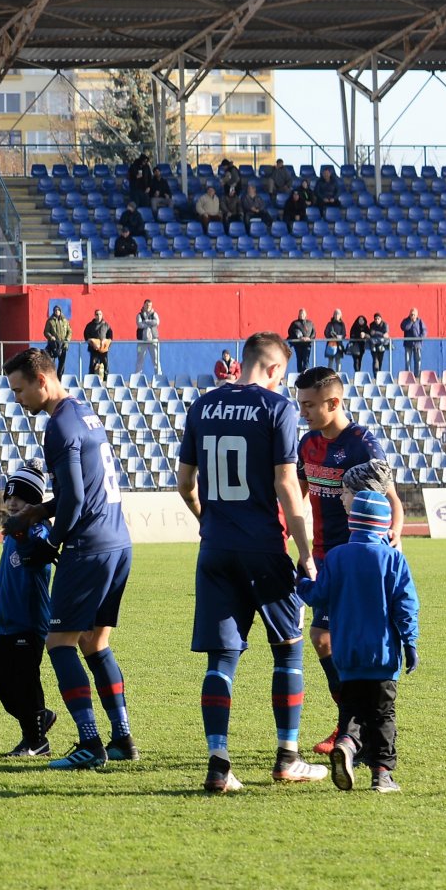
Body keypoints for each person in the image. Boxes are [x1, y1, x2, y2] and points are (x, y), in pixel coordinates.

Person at [178, 332, 321, 794]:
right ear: (277, 369)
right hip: (263, 548)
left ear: (242, 363)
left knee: (221, 660)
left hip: (215, 548)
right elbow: (285, 484)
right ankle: (288, 757)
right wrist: (304, 551)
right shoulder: (278, 409)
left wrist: (210, 523)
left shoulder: (201, 406)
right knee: (289, 648)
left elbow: (185, 484)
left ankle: (218, 766)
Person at [2, 347, 135, 772]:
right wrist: (40, 511)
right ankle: (122, 738)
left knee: (58, 643)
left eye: (20, 390)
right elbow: (84, 490)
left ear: (42, 381)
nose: (18, 399)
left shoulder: (58, 426)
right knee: (95, 642)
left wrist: (51, 541)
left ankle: (90, 743)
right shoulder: (83, 411)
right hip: (118, 543)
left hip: (89, 547)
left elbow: (77, 498)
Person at [294, 368, 403, 758]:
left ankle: (358, 723)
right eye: (300, 403)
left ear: (333, 402)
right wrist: (287, 534)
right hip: (324, 557)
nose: (302, 411)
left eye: (308, 404)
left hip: (358, 558)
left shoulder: (362, 444)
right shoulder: (307, 445)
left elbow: (392, 500)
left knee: (354, 642)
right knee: (323, 639)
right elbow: (297, 498)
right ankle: (350, 721)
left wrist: (396, 535)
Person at [298, 491, 418, 794]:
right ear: (384, 526)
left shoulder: (337, 556)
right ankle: (382, 775)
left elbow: (318, 596)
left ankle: (347, 746)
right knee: (383, 715)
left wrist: (301, 582)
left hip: (347, 654)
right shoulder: (393, 559)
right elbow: (405, 605)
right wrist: (410, 643)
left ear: (352, 523)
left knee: (351, 710)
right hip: (382, 655)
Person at [0, 464, 56, 758]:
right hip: (6, 620)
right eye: (10, 496)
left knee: (26, 680)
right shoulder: (12, 530)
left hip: (28, 620)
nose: (13, 502)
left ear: (37, 503)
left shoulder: (38, 531)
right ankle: (38, 719)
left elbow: (35, 556)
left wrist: (22, 534)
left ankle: (36, 740)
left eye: (22, 498)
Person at [134, 299, 161, 377]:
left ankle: (159, 377)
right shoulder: (139, 315)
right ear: (144, 305)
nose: (148, 306)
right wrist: (151, 323)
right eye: (147, 305)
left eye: (150, 305)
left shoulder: (154, 314)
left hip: (153, 341)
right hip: (141, 341)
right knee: (140, 359)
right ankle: (137, 378)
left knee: (156, 360)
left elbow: (157, 322)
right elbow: (139, 324)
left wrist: (146, 321)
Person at [43, 306, 72, 377]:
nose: (57, 312)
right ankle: (52, 377)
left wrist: (68, 339)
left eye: (58, 310)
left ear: (60, 311)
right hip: (54, 345)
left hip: (63, 345)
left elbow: (70, 331)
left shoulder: (65, 320)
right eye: (55, 310)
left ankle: (60, 378)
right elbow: (46, 332)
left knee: (62, 363)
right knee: (51, 362)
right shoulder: (50, 321)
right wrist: (50, 337)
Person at [83, 309, 113, 377]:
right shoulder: (90, 325)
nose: (99, 316)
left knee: (105, 365)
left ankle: (106, 380)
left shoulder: (106, 325)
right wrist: (92, 343)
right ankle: (91, 380)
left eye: (100, 314)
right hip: (94, 349)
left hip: (103, 349)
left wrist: (106, 342)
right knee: (93, 365)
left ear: (102, 315)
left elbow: (110, 336)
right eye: (97, 314)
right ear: (95, 315)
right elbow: (86, 335)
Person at [287, 308, 315, 373]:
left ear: (305, 315)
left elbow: (314, 333)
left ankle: (306, 375)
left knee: (306, 360)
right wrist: (299, 338)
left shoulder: (310, 323)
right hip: (298, 345)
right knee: (299, 360)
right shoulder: (295, 323)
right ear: (298, 315)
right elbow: (290, 332)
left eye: (303, 313)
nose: (301, 315)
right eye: (300, 313)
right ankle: (299, 375)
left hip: (307, 345)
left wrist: (309, 338)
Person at [400, 308, 426, 375]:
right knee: (408, 361)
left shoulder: (420, 321)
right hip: (408, 344)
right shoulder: (406, 321)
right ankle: (408, 376)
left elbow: (424, 331)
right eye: (411, 314)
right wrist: (411, 321)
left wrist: (420, 338)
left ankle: (417, 375)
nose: (413, 316)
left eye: (414, 314)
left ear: (417, 315)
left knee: (417, 360)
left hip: (417, 344)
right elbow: (405, 328)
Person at [367, 312, 390, 376]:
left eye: (378, 319)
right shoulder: (372, 324)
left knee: (380, 360)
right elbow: (371, 333)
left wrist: (377, 333)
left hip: (382, 345)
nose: (377, 320)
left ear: (381, 319)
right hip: (373, 344)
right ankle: (376, 375)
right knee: (375, 359)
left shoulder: (385, 324)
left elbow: (386, 335)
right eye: (375, 319)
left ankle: (379, 373)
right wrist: (381, 334)